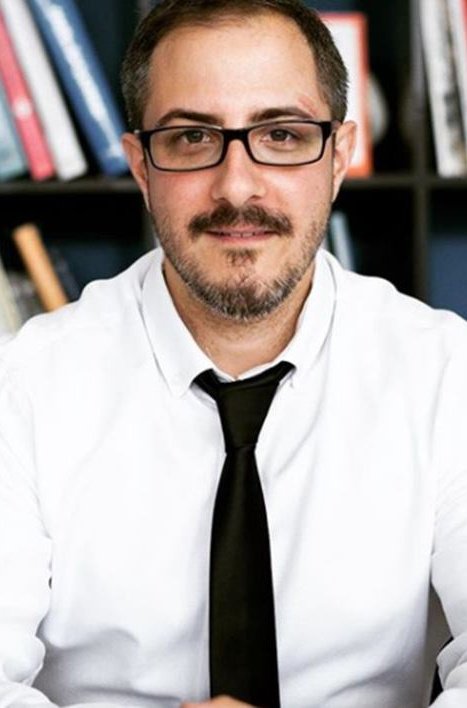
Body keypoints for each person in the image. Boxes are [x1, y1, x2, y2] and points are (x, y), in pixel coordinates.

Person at [1, 0, 467, 706]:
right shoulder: (24, 387)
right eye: (192, 138)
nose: (237, 187)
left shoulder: (446, 375)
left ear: (339, 156)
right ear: (141, 166)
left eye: (281, 135)